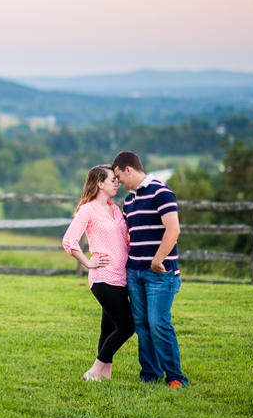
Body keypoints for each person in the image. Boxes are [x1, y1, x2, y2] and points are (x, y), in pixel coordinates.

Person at [111, 151, 188, 389]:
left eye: (118, 176)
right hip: (135, 272)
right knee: (142, 324)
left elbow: (173, 230)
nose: (117, 182)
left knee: (158, 323)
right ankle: (150, 375)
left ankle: (175, 377)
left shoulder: (161, 192)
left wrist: (157, 260)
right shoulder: (129, 201)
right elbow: (128, 235)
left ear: (128, 170)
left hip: (159, 273)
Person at [61, 165, 134, 381]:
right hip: (103, 277)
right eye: (113, 179)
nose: (117, 182)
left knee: (108, 326)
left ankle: (106, 374)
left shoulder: (115, 209)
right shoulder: (88, 209)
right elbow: (69, 240)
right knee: (126, 326)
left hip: (121, 277)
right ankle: (94, 370)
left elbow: (125, 242)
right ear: (100, 183)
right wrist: (87, 262)